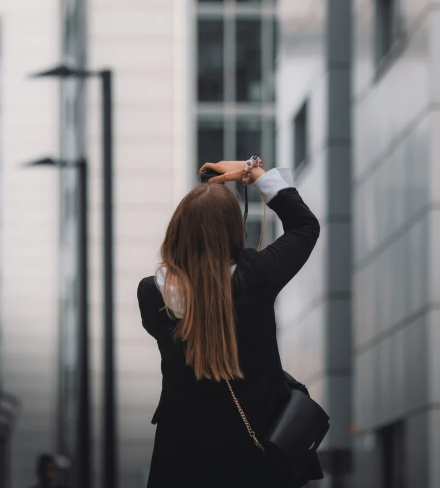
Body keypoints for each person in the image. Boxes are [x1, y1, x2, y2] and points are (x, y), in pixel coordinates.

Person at [137, 158, 324, 488]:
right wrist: (256, 174)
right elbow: (305, 226)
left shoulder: (154, 295)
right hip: (256, 465)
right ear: (234, 231)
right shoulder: (260, 276)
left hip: (180, 466)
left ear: (177, 230)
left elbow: (185, 284)